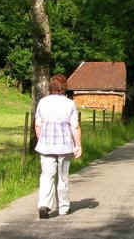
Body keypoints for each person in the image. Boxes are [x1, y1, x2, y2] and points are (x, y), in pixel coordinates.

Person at [34, 74, 82, 219]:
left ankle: (44, 205)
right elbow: (75, 126)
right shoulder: (70, 104)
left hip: (46, 146)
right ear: (64, 88)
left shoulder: (42, 102)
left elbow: (37, 125)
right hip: (64, 147)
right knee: (63, 177)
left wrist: (42, 140)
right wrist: (78, 145)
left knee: (46, 176)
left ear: (51, 87)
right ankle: (63, 207)